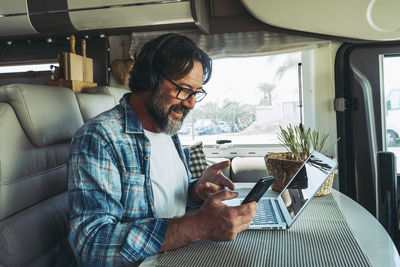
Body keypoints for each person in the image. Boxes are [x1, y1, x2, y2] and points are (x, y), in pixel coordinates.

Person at [68, 33, 257, 266]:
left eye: (196, 93)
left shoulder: (168, 131)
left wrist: (195, 191)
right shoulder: (99, 138)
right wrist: (196, 226)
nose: (191, 103)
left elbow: (162, 203)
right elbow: (91, 246)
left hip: (178, 255)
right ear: (150, 79)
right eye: (184, 90)